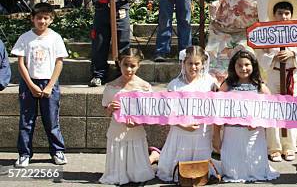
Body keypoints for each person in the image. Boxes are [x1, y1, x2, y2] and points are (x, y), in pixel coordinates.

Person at [11, 2, 67, 168]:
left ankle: (57, 150)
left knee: (51, 120)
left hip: (49, 82)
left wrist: (50, 85)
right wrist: (30, 85)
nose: (42, 21)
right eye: (38, 18)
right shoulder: (25, 38)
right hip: (29, 82)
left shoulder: (55, 38)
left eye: (45, 18)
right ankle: (24, 153)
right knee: (26, 120)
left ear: (51, 19)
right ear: (32, 19)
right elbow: (21, 63)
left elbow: (59, 62)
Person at [256, 0, 297, 162]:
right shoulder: (266, 33)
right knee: (273, 111)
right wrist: (273, 57)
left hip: (291, 76)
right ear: (275, 14)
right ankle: (274, 147)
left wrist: (292, 53)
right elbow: (259, 54)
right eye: (280, 13)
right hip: (273, 76)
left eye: (287, 13)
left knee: (291, 112)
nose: (284, 16)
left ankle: (289, 147)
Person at [212, 48, 279, 182]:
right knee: (233, 163)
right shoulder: (227, 85)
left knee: (253, 160)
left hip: (254, 132)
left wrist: (259, 122)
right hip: (232, 132)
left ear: (253, 66)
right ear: (233, 67)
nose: (243, 68)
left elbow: (271, 108)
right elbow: (217, 110)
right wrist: (216, 135)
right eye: (239, 65)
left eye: (247, 65)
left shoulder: (259, 86)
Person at [157, 46, 218, 182]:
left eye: (197, 63)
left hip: (202, 131)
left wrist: (216, 91)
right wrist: (182, 125)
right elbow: (167, 112)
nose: (193, 67)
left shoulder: (209, 83)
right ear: (183, 63)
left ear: (203, 64)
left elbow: (216, 105)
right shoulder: (175, 85)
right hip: (181, 130)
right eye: (190, 63)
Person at [100, 49, 156, 185]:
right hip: (117, 130)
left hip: (135, 130)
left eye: (133, 66)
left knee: (140, 174)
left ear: (139, 65)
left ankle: (153, 156)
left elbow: (150, 113)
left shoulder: (145, 87)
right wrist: (110, 109)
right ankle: (153, 156)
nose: (129, 69)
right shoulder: (111, 87)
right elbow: (105, 112)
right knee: (116, 176)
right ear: (119, 63)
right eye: (125, 65)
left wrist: (138, 122)